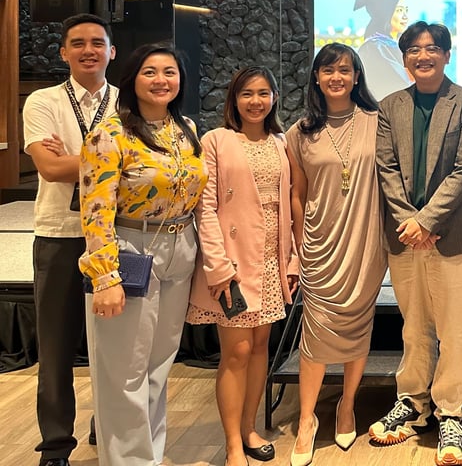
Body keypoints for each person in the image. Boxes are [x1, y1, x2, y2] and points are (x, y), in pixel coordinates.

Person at [79, 42, 207, 466]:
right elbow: (95, 210)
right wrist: (105, 277)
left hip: (179, 248)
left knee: (158, 365)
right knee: (123, 372)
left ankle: (148, 455)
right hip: (131, 249)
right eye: (150, 72)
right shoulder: (110, 134)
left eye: (169, 72)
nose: (160, 80)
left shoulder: (185, 128)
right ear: (132, 78)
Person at [371, 21, 462, 466]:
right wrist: (409, 223)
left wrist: (428, 221)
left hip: (452, 234)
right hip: (404, 237)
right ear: (403, 58)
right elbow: (386, 169)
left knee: (455, 328)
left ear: (447, 55)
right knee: (413, 325)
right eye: (415, 49)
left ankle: (452, 411)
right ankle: (412, 401)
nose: (424, 55)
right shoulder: (389, 106)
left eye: (433, 48)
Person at [185, 66, 299, 466]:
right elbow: (206, 204)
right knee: (237, 351)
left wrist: (292, 258)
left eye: (264, 93)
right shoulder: (216, 140)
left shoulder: (281, 142)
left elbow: (288, 204)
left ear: (274, 98)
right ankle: (233, 441)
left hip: (271, 257)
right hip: (232, 261)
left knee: (260, 347)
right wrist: (217, 265)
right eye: (247, 93)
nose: (256, 101)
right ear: (234, 99)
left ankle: (250, 428)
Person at [23, 13, 117, 466]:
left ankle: (110, 427)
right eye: (77, 43)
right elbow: (49, 168)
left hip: (116, 238)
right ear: (64, 52)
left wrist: (74, 158)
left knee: (114, 345)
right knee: (57, 349)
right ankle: (56, 446)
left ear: (111, 52)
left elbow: (134, 169)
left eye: (97, 42)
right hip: (60, 235)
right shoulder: (43, 102)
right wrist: (112, 161)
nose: (88, 50)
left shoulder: (128, 100)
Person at [286, 44, 387, 466]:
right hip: (321, 242)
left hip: (366, 240)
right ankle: (307, 418)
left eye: (344, 70)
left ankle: (347, 404)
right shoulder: (300, 131)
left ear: (357, 76)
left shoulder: (378, 122)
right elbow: (297, 193)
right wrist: (299, 244)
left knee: (357, 326)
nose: (336, 77)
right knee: (316, 333)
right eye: (328, 70)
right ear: (316, 78)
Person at [355, 0, 412, 98]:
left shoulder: (391, 45)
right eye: (399, 10)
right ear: (385, 13)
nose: (405, 16)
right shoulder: (374, 48)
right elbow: (401, 85)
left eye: (406, 10)